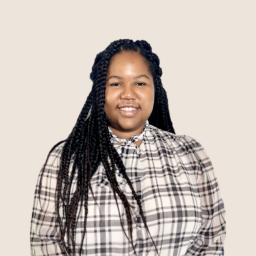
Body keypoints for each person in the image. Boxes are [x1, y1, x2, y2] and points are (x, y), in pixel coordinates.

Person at [30, 39, 226, 256]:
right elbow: (45, 242)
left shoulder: (191, 153)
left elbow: (210, 240)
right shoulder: (63, 159)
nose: (128, 94)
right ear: (98, 91)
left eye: (140, 83)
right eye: (115, 83)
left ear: (155, 89)